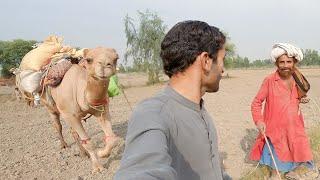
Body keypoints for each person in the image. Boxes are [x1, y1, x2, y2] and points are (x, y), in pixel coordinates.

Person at [114, 20, 231, 180]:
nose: (223, 69)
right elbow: (140, 172)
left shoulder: (199, 110)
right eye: (222, 60)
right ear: (206, 61)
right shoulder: (153, 114)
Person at [250, 43, 315, 179]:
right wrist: (259, 121)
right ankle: (276, 172)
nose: (285, 65)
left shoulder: (298, 79)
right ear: (276, 64)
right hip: (276, 130)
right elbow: (256, 103)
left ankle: (296, 171)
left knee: (304, 162)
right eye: (282, 62)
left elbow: (298, 96)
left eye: (289, 62)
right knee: (276, 171)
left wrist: (301, 99)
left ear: (294, 62)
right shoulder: (269, 80)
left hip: (295, 128)